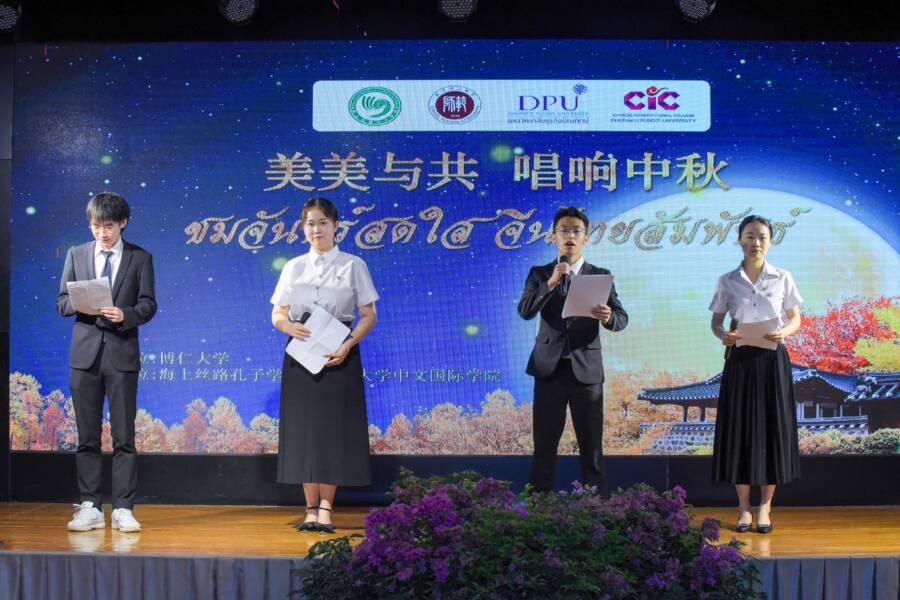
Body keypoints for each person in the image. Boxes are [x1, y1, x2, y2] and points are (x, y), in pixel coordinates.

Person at [270, 197, 378, 533]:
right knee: (304, 432)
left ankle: (327, 507)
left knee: (333, 432)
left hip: (338, 354)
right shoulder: (294, 267)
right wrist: (287, 326)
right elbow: (277, 313)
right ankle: (310, 508)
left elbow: (368, 315)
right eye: (310, 224)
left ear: (335, 225)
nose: (316, 230)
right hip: (301, 355)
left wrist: (347, 344)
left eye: (322, 223)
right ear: (303, 229)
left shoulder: (353, 265)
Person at [56, 192, 157, 533]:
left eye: (109, 226)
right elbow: (61, 302)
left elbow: (148, 304)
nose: (102, 233)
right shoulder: (77, 254)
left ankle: (123, 508)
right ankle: (90, 506)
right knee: (87, 437)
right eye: (96, 226)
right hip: (84, 357)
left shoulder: (140, 258)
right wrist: (81, 302)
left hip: (121, 355)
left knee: (124, 437)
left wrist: (124, 314)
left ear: (122, 223)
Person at [517, 206, 628, 494]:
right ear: (553, 236)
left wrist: (608, 317)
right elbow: (525, 311)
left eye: (576, 231)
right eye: (563, 230)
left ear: (586, 238)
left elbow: (621, 319)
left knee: (591, 446)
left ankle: (597, 506)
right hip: (549, 370)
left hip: (586, 371)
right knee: (544, 444)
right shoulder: (540, 274)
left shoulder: (599, 275)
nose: (570, 235)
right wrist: (551, 284)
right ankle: (539, 504)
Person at [709, 214, 803, 534]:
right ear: (740, 240)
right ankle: (743, 508)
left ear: (771, 241)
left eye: (762, 237)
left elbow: (796, 318)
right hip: (740, 360)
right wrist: (723, 335)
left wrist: (784, 332)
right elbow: (716, 322)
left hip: (772, 359)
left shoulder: (782, 277)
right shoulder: (727, 280)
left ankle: (765, 506)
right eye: (749, 236)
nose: (756, 242)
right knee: (739, 430)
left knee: (772, 428)